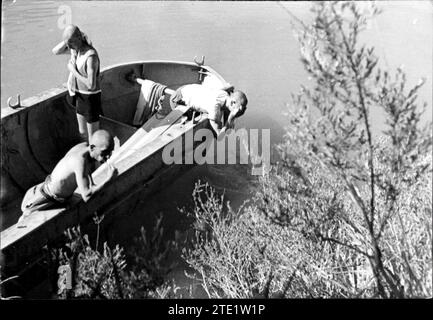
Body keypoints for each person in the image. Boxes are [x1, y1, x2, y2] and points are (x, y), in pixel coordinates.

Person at [17, 130, 117, 226]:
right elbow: (87, 196)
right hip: (45, 198)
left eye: (110, 152)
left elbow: (87, 173)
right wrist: (108, 179)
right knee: (24, 225)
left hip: (54, 193)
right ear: (92, 148)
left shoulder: (84, 148)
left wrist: (93, 185)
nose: (108, 156)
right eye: (104, 152)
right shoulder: (79, 161)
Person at [52, 24, 102, 142]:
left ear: (79, 39)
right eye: (67, 44)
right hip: (80, 96)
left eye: (70, 43)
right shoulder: (76, 50)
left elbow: (91, 85)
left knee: (93, 138)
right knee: (82, 133)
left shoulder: (91, 56)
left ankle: (97, 158)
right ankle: (88, 157)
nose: (68, 47)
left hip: (91, 98)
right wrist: (66, 41)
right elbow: (55, 51)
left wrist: (73, 71)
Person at [170, 84, 248, 137]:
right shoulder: (215, 107)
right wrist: (230, 118)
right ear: (232, 102)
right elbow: (220, 137)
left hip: (187, 88)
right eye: (238, 110)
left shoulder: (225, 94)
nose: (237, 113)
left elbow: (230, 89)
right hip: (177, 99)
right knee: (189, 126)